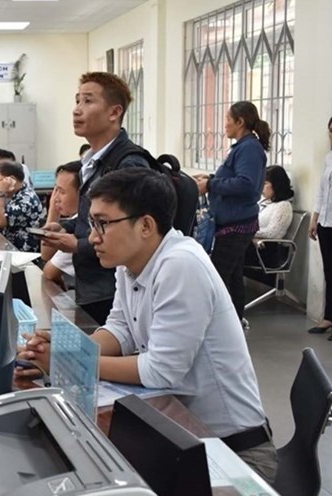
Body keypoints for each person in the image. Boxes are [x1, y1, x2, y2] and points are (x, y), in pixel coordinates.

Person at [18, 168, 276, 483]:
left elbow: (160, 371)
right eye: (92, 224)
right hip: (181, 438)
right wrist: (67, 347)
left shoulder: (180, 264)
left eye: (103, 223)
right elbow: (120, 330)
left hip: (235, 454)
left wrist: (73, 361)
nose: (93, 237)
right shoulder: (130, 264)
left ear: (146, 225)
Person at [41, 72, 151, 325]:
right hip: (92, 287)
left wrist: (77, 245)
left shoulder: (128, 164)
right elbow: (91, 219)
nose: (77, 110)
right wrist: (65, 227)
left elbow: (130, 236)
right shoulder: (92, 162)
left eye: (88, 101)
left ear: (114, 112)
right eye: (77, 101)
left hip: (113, 293)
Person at [195, 101, 269, 323]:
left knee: (218, 277)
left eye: (228, 119)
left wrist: (211, 185)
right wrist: (210, 179)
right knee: (233, 277)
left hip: (238, 225)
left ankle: (222, 325)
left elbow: (246, 184)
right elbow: (235, 177)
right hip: (230, 222)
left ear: (240, 122)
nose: (225, 124)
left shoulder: (250, 149)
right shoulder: (242, 147)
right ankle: (234, 322)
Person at [308, 113, 332, 340]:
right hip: (326, 223)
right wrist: (315, 218)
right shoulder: (330, 158)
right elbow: (321, 191)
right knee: (330, 272)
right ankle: (330, 316)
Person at [0, 160, 45, 252]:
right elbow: (9, 217)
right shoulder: (20, 194)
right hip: (10, 248)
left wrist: (0, 193)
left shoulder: (26, 200)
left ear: (11, 180)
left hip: (21, 253)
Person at [40, 161, 81, 287]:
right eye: (55, 190)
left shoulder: (82, 227)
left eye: (61, 192)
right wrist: (53, 211)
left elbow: (49, 272)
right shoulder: (75, 220)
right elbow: (46, 254)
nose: (56, 198)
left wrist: (53, 211)